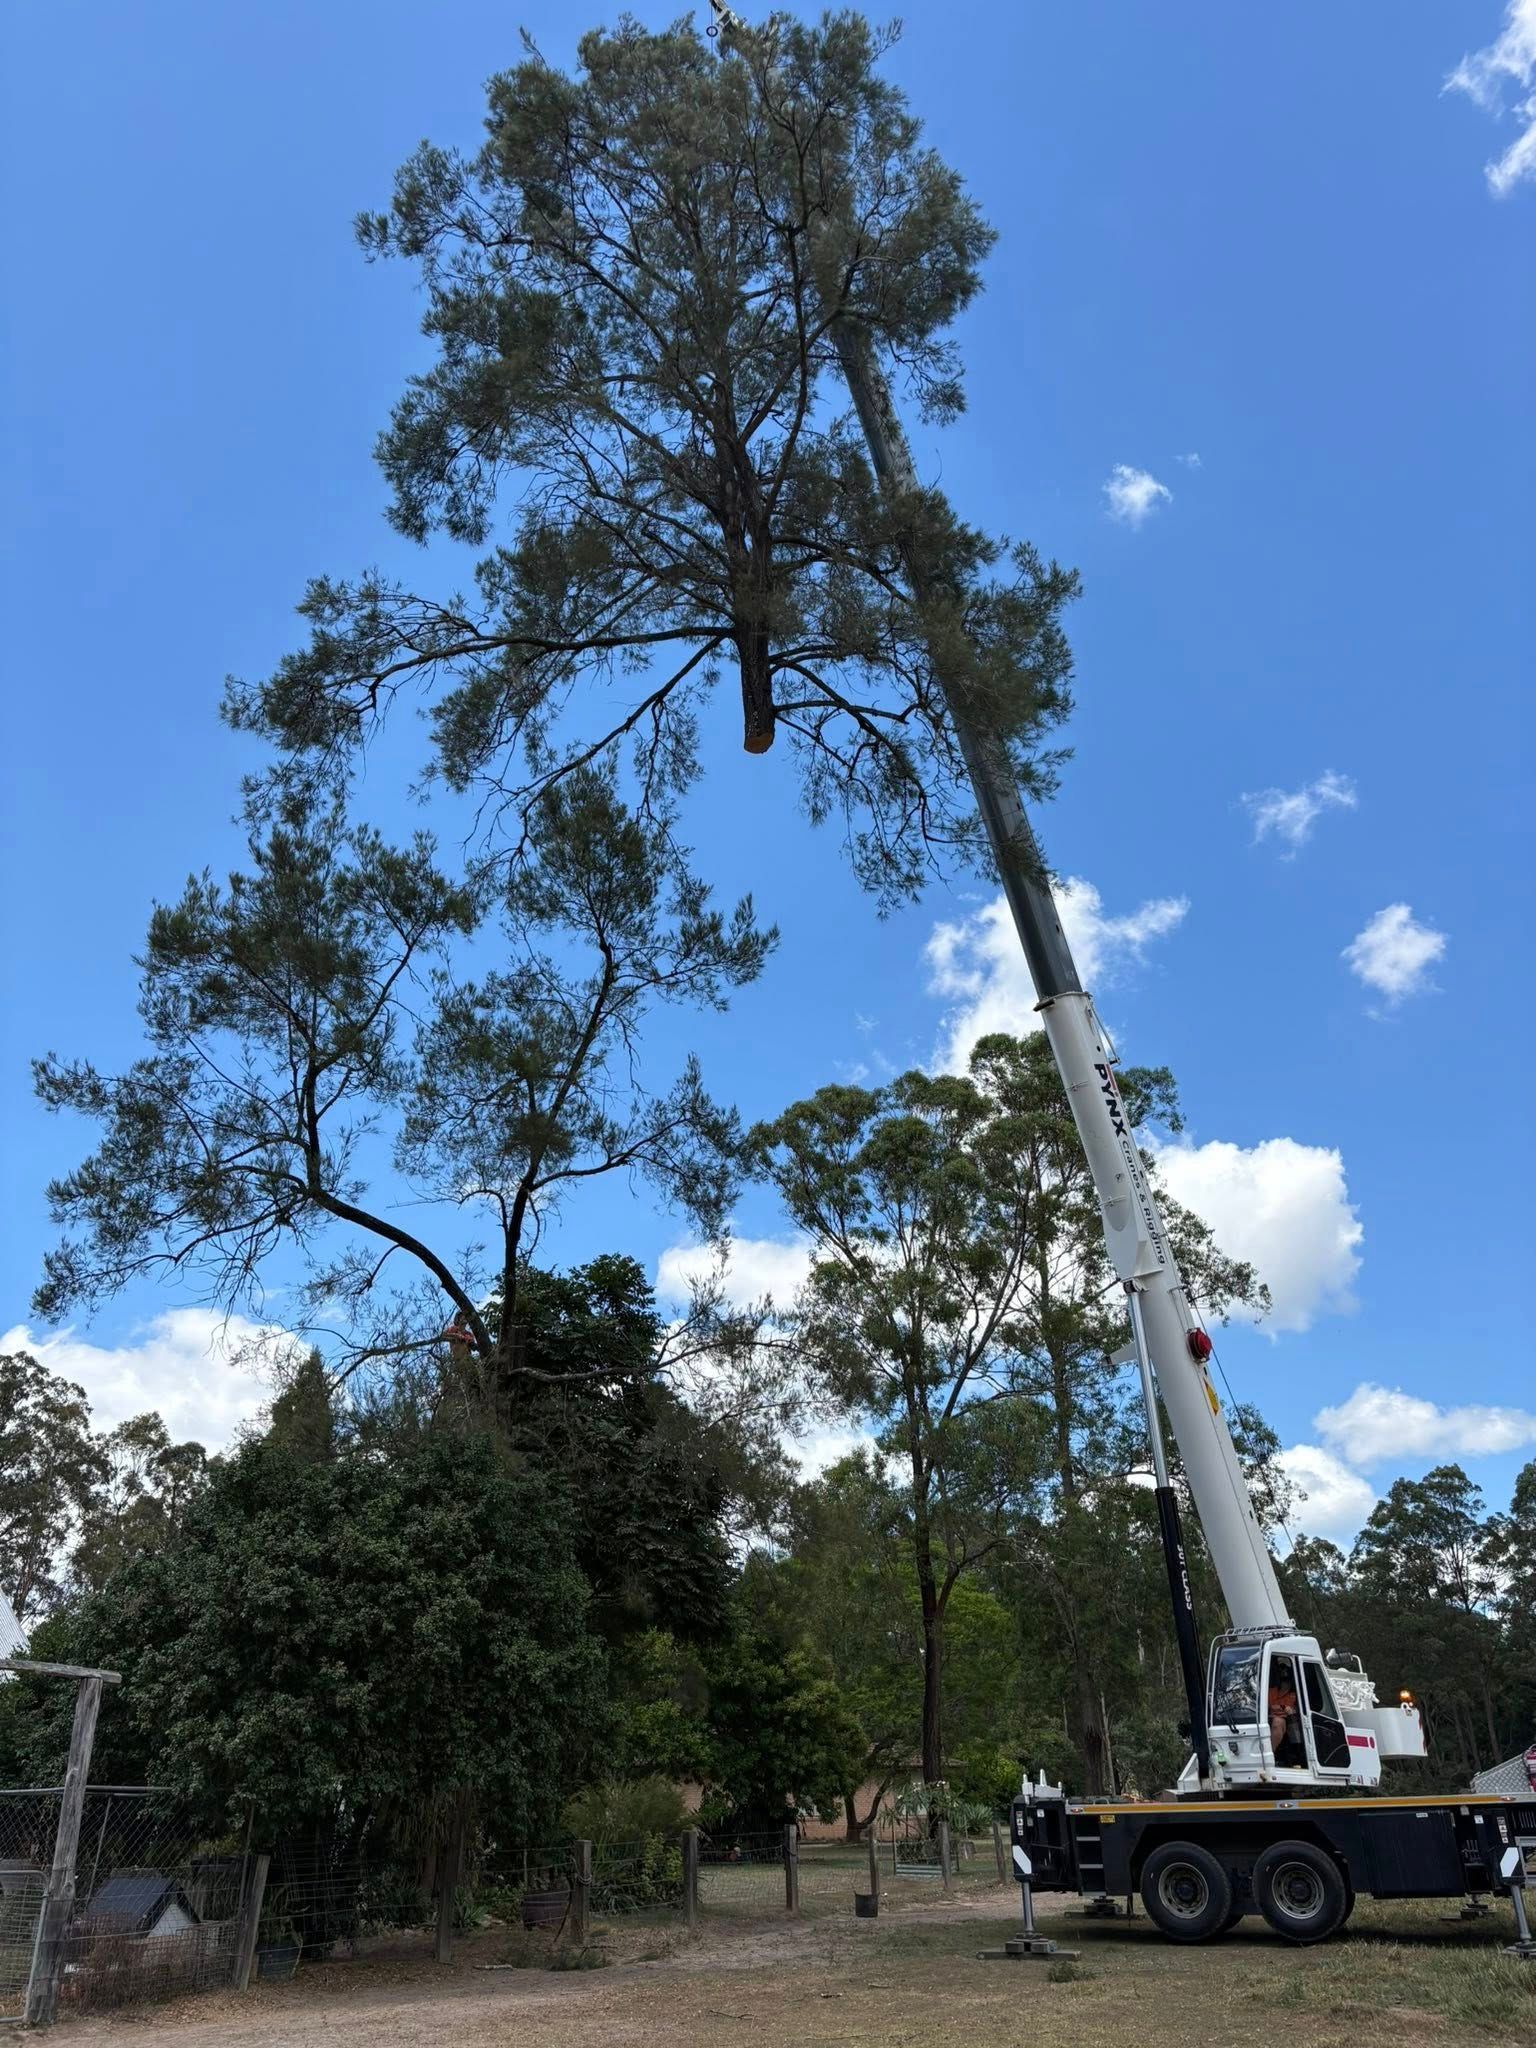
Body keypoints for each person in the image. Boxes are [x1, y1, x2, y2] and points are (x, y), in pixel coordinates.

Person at [1268, 1660, 1299, 1755]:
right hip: (1267, 1717)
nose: (1286, 1684)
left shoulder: (1294, 1694)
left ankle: (1270, 1753)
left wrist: (1287, 1709)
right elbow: (1271, 1706)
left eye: (1287, 1681)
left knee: (1278, 1722)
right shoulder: (1271, 1691)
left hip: (1285, 1720)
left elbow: (1293, 1710)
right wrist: (1283, 1707)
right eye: (1284, 1681)